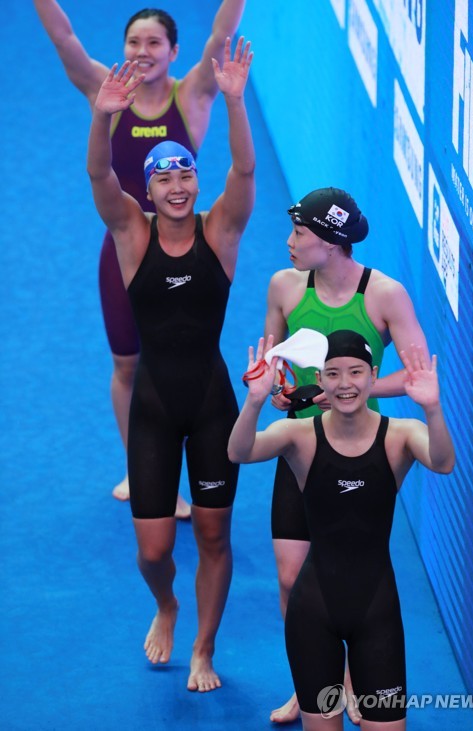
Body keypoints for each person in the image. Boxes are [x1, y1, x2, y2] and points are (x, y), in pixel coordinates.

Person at [86, 36, 255, 691]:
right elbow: (100, 178)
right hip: (154, 411)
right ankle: (166, 603)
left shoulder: (220, 232)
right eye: (164, 176)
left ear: (193, 180)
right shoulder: (131, 235)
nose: (178, 184)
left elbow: (242, 176)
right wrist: (103, 118)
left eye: (185, 172)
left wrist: (235, 104)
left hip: (212, 405)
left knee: (214, 537)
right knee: (154, 550)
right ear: (149, 191)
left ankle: (203, 650)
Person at [34, 0, 246, 508]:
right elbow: (65, 39)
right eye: (134, 42)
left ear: (175, 50)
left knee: (184, 359)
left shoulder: (192, 93)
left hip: (186, 247)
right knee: (127, 364)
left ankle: (194, 466)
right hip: (126, 247)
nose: (143, 51)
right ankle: (143, 471)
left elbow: (221, 33)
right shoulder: (105, 89)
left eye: (154, 43)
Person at [228, 330, 455, 730]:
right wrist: (255, 399)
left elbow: (443, 462)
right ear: (320, 378)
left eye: (355, 372)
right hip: (314, 613)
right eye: (333, 374)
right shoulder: (300, 436)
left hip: (377, 614)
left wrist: (433, 409)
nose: (345, 384)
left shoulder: (399, 436)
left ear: (373, 375)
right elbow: (239, 452)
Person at [264, 187, 430, 724]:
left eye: (301, 235)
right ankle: (313, 682)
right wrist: (280, 387)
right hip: (301, 451)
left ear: (332, 244)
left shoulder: (385, 294)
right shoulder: (285, 288)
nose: (289, 243)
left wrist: (347, 390)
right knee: (292, 577)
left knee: (354, 574)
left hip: (359, 451)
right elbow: (274, 362)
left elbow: (417, 372)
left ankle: (357, 676)